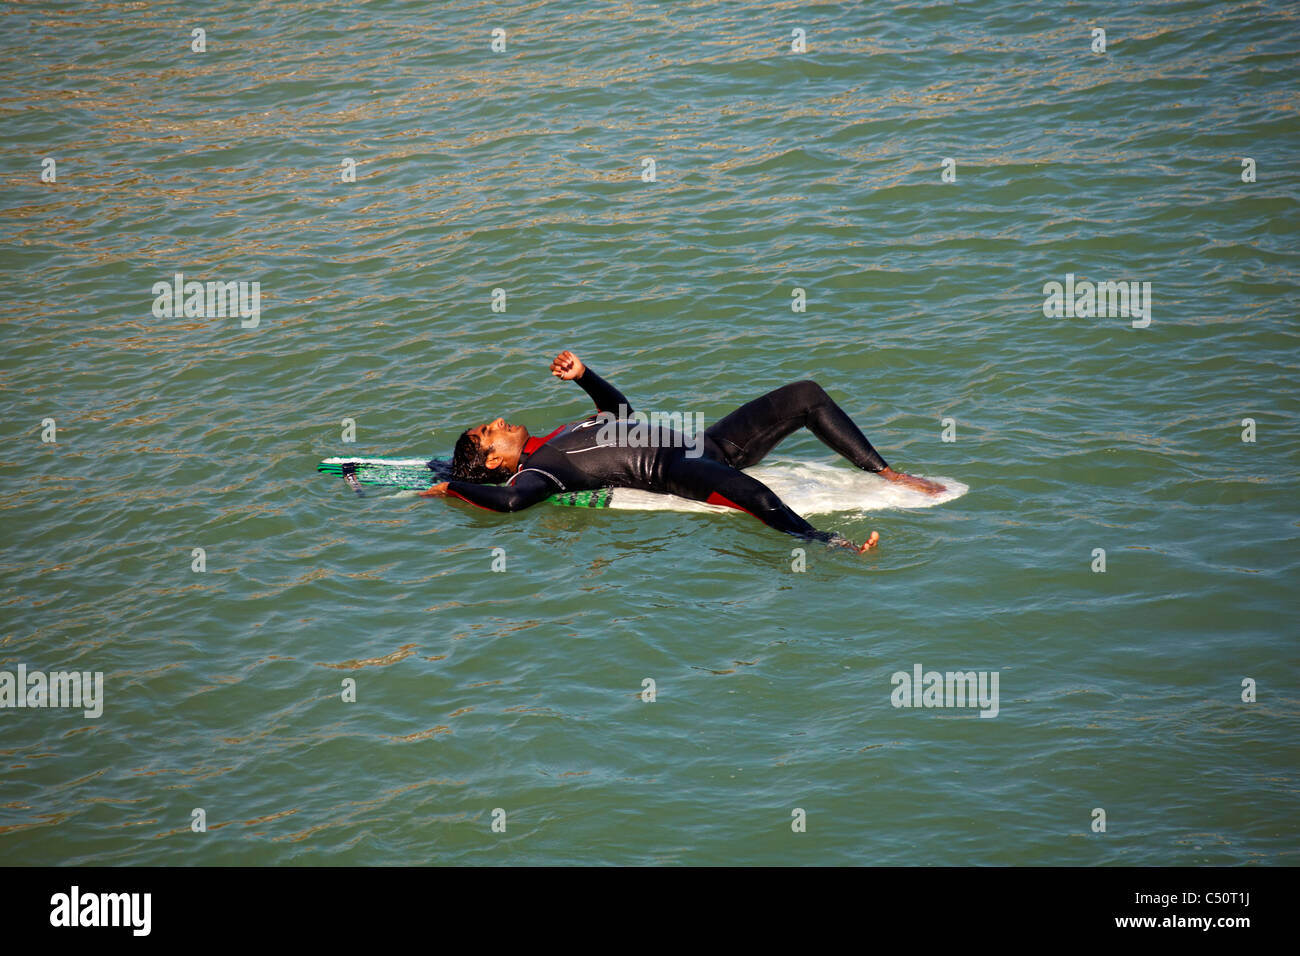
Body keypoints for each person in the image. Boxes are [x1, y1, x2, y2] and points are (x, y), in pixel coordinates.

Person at [420, 351, 944, 552]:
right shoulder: (538, 470)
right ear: (494, 461)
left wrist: (586, 378)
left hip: (709, 441)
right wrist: (453, 487)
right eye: (489, 432)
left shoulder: (558, 433)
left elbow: (618, 412)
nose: (497, 422)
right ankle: (826, 542)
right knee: (754, 497)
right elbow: (512, 505)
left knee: (804, 394)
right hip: (678, 467)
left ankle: (888, 473)